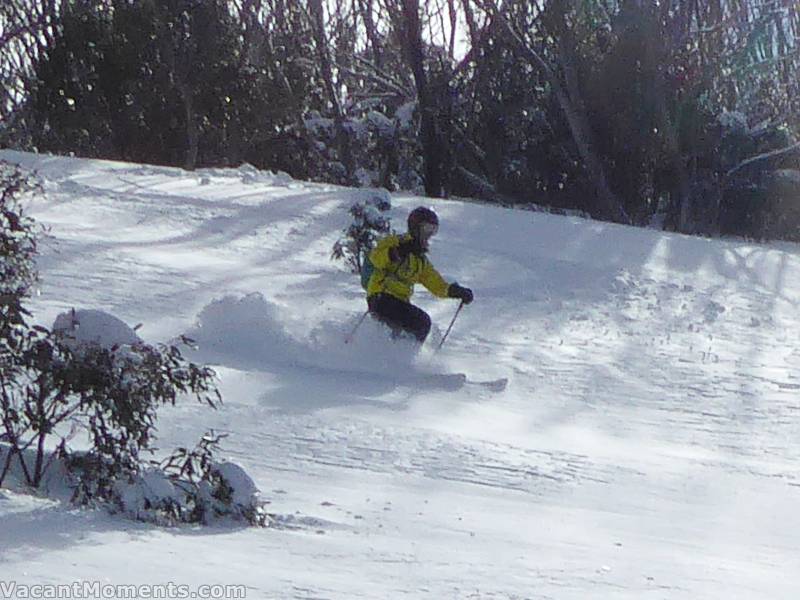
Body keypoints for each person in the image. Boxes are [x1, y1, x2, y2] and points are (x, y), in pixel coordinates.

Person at [365, 206, 473, 343]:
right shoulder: (397, 242)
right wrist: (396, 252)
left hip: (399, 302)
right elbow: (375, 258)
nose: (429, 235)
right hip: (381, 296)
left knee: (416, 325)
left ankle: (393, 353)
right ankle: (400, 353)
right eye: (427, 229)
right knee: (421, 322)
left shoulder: (420, 260)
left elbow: (436, 284)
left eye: (433, 230)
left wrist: (455, 291)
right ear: (415, 227)